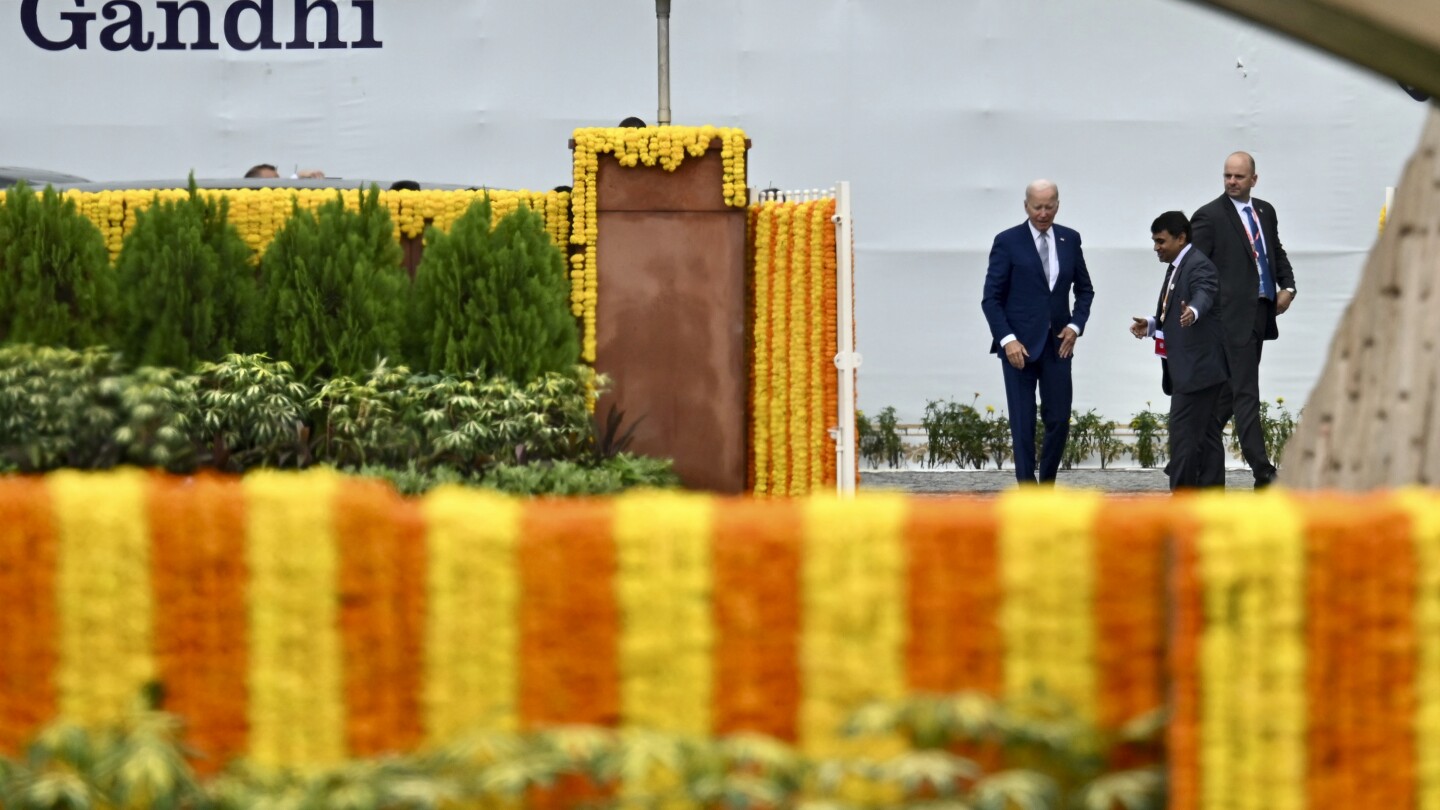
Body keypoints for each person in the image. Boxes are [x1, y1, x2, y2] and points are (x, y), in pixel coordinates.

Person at [1190, 152, 1296, 488]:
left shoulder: (1264, 211)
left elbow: (1274, 251)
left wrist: (1288, 286)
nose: (1232, 182)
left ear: (1254, 179)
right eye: (1227, 176)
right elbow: (1195, 268)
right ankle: (1263, 472)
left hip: (1260, 313)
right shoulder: (1209, 216)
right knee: (1246, 393)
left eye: (1238, 177)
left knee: (1229, 393)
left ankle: (1186, 455)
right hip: (1229, 319)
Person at [981, 179, 1095, 484]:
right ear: (1025, 206)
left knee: (1058, 419)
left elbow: (1085, 290)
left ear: (1058, 204)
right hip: (1018, 348)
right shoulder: (1007, 241)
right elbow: (991, 298)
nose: (1043, 213)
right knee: (1023, 423)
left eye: (1049, 206)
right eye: (1037, 207)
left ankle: (1047, 483)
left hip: (1058, 346)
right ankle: (1027, 491)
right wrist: (1007, 340)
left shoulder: (1070, 239)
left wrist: (1075, 325)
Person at [1130, 212, 1228, 491]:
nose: (1156, 247)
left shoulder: (1198, 265)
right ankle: (1210, 498)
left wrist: (1194, 312)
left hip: (1196, 370)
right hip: (1197, 369)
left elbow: (1204, 294)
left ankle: (1182, 501)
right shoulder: (1178, 265)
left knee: (1184, 437)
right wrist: (1151, 325)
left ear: (1181, 237)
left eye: (1161, 241)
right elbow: (1170, 312)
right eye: (1154, 241)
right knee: (1208, 435)